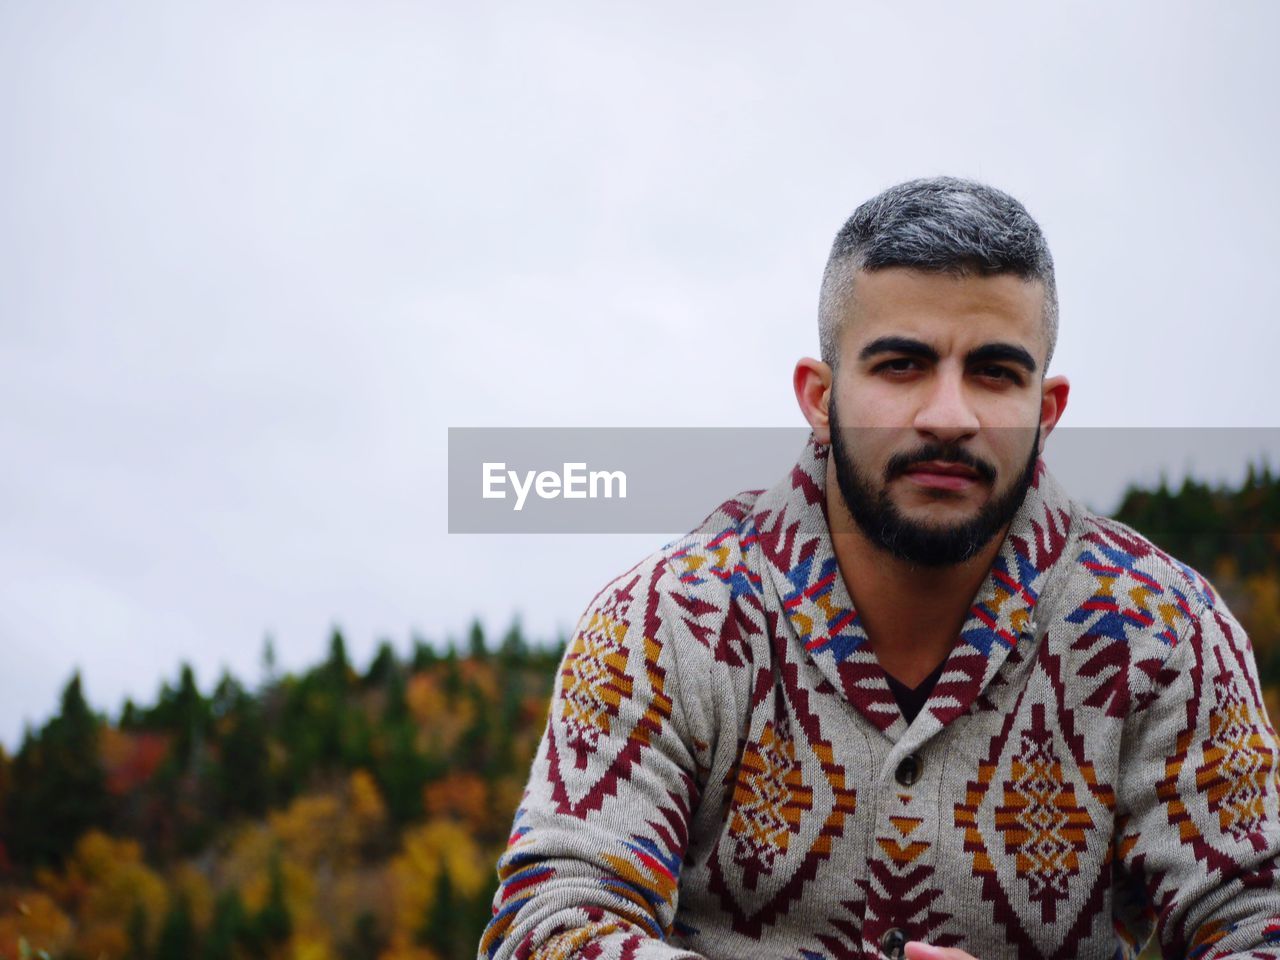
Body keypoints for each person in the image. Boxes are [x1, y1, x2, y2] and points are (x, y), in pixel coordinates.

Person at [477, 178, 1280, 960]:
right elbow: (547, 929)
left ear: (1049, 408)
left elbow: (1258, 925)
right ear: (819, 396)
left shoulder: (1166, 636)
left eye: (996, 373)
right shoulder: (663, 622)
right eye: (901, 365)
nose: (948, 416)